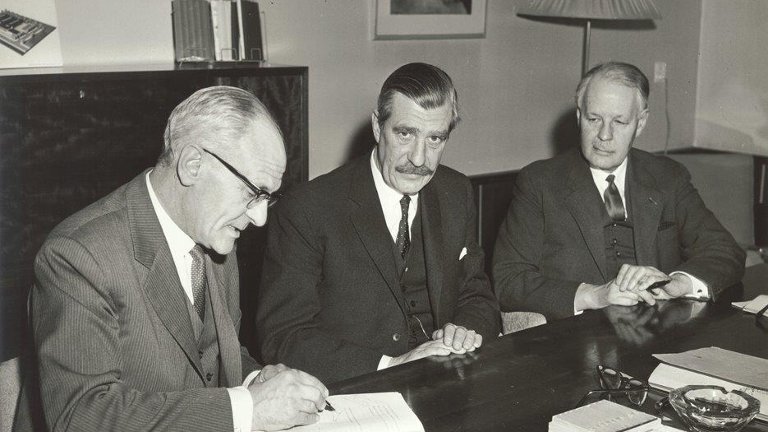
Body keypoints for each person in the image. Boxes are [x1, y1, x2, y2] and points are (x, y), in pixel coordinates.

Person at [30, 86, 329, 432]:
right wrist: (248, 408)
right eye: (252, 192)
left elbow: (211, 358)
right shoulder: (78, 255)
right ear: (192, 164)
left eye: (267, 197)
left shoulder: (215, 234)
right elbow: (80, 417)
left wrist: (255, 379)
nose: (260, 218)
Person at [256, 63, 500, 384]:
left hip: (446, 380)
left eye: (435, 139)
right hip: (357, 388)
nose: (418, 158)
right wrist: (391, 363)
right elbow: (283, 336)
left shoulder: (456, 192)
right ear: (376, 127)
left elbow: (476, 295)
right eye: (404, 133)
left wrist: (463, 332)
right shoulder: (308, 209)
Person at [493, 62, 745, 321]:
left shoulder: (668, 177)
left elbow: (725, 250)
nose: (604, 135)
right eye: (594, 119)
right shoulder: (540, 182)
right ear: (579, 117)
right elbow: (509, 280)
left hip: (658, 332)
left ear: (641, 122)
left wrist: (676, 283)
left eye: (619, 122)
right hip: (576, 338)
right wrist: (593, 295)